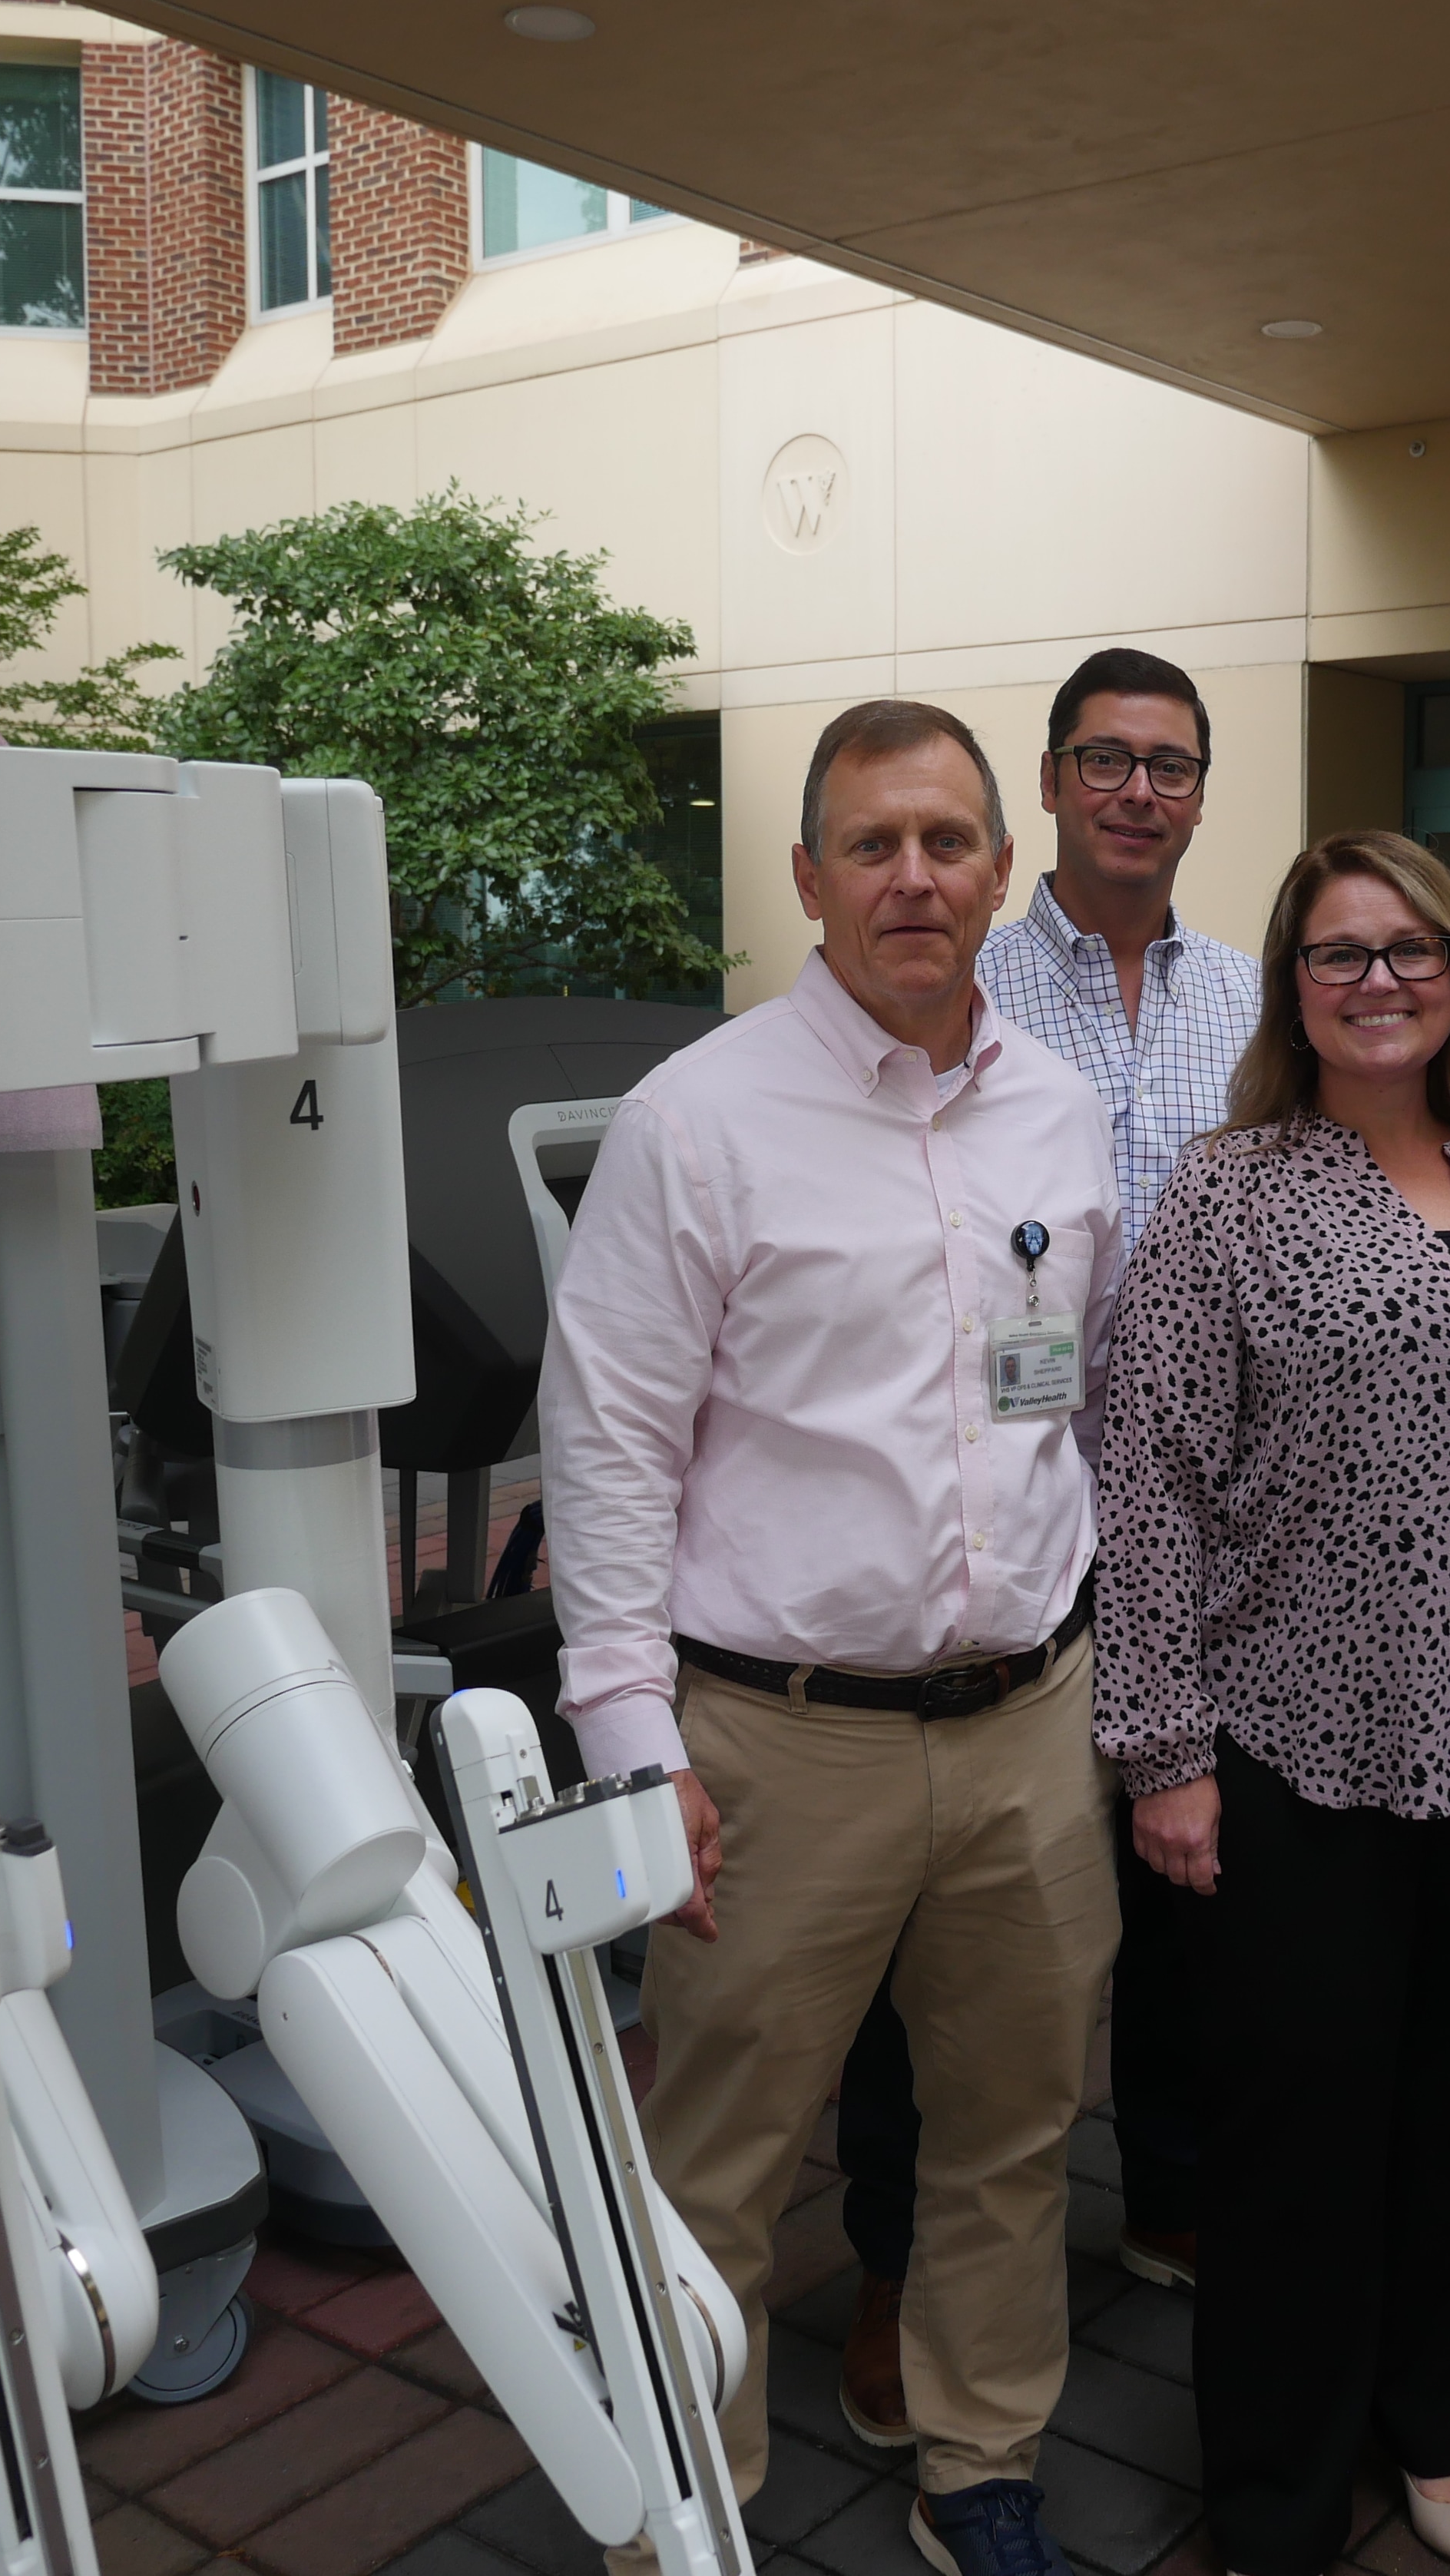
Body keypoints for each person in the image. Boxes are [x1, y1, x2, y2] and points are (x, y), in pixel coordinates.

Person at [538, 698, 1126, 2576]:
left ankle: (982, 2460)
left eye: (947, 842)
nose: (913, 877)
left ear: (1001, 872)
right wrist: (634, 1746)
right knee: (718, 2157)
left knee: (1011, 2133)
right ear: (806, 879)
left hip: (1031, 1719)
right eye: (871, 845)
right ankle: (683, 2514)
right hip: (774, 1742)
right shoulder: (696, 1122)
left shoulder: (1060, 1104)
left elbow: (1078, 1399)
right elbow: (611, 1445)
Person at [1096, 831, 1450, 2576]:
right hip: (1296, 1746)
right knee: (1297, 2133)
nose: (1378, 981)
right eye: (1338, 954)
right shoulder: (1231, 1190)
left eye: (1410, 950)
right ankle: (1279, 2493)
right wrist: (1162, 1751)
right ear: (1290, 985)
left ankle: (1432, 2419)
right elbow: (1145, 1470)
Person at [830, 648, 1266, 2444]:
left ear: (1198, 790)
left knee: (1186, 1887)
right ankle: (890, 2271)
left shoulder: (1258, 994)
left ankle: (1165, 2189)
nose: (1139, 793)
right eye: (1106, 762)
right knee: (940, 1926)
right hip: (1003, 1521)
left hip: (1222, 1524)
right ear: (1052, 790)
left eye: (1170, 766)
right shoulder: (959, 977)